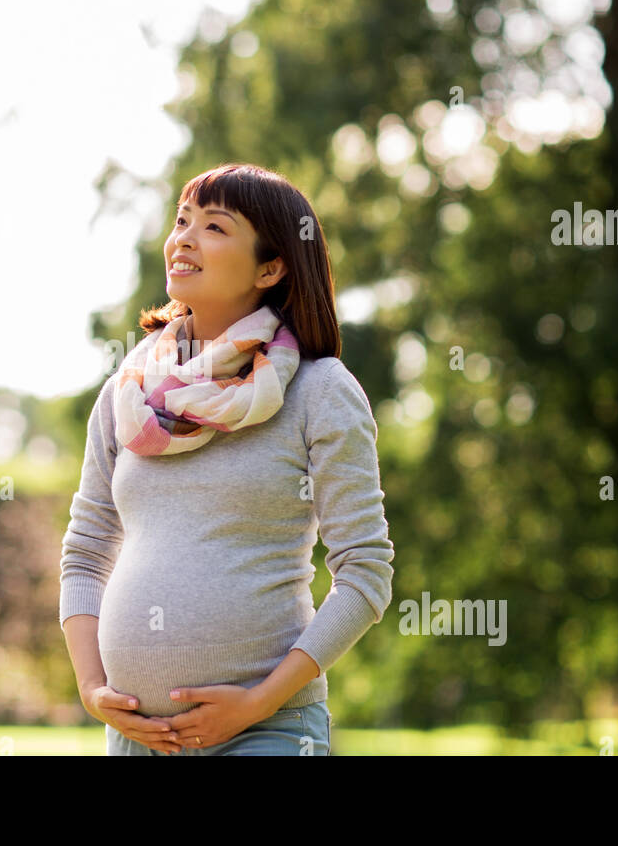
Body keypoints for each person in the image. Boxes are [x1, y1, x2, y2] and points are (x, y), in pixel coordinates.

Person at [59, 163, 395, 755]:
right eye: (181, 220)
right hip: (137, 737)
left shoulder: (319, 390)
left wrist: (259, 701)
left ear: (271, 267)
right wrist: (91, 688)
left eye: (214, 227)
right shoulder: (128, 394)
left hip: (267, 731)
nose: (183, 238)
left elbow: (365, 572)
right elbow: (86, 552)